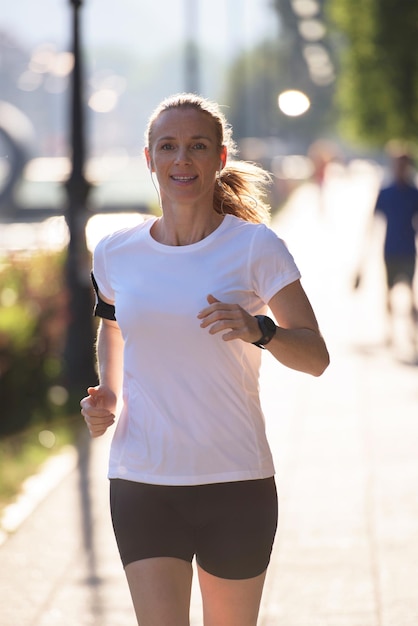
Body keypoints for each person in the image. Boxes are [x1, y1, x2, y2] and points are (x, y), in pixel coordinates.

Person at [80, 93, 330, 626]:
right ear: (149, 159)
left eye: (197, 146)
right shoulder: (114, 251)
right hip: (143, 479)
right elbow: (115, 327)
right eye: (167, 147)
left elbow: (315, 356)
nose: (181, 160)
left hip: (236, 482)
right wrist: (108, 393)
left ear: (219, 158)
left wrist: (260, 330)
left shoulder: (255, 248)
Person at [355, 152, 418, 350]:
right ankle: (390, 331)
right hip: (390, 248)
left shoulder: (414, 193)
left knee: (410, 291)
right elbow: (373, 221)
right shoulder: (386, 192)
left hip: (408, 249)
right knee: (389, 291)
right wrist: (364, 256)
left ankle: (412, 330)